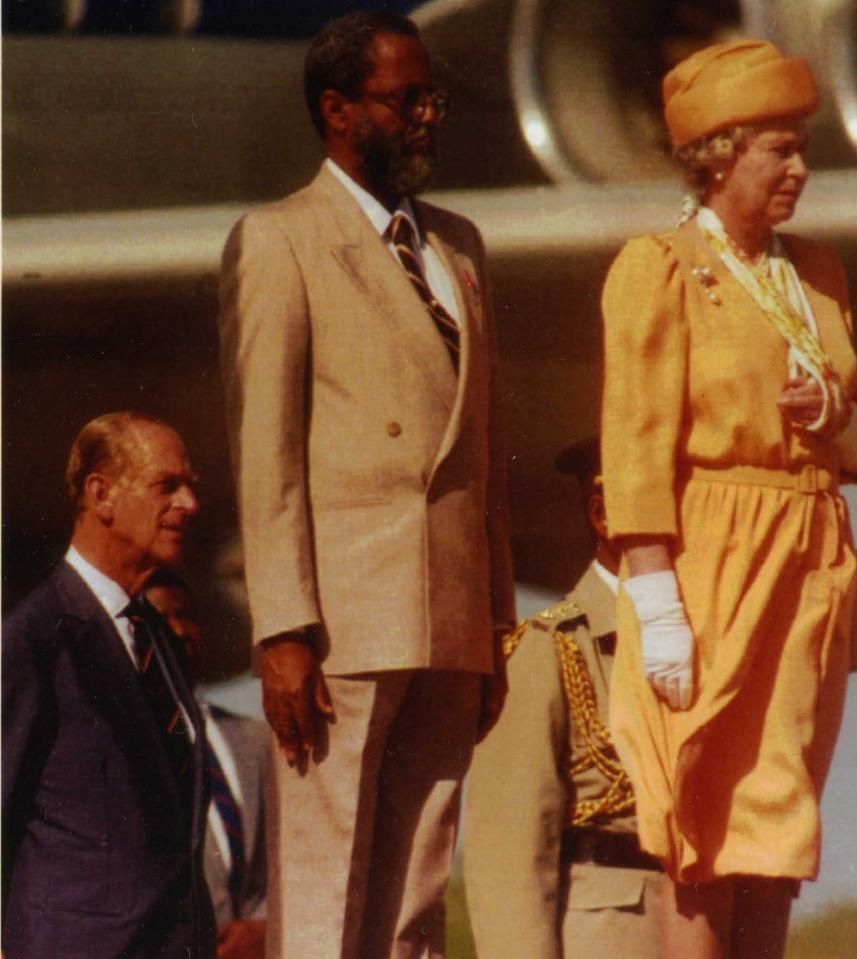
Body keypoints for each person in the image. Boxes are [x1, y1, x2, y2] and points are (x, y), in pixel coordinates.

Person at [217, 11, 515, 958]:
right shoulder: (280, 240)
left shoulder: (461, 247)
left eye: (435, 98)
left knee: (417, 893)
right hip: (340, 626)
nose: (429, 116)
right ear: (338, 110)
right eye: (407, 99)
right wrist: (282, 628)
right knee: (326, 887)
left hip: (451, 619)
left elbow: (483, 451)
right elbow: (264, 453)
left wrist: (496, 619)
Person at [600, 41, 857, 958]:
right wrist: (656, 598)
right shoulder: (659, 266)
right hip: (709, 559)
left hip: (811, 555)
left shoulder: (817, 274)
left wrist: (834, 415)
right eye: (779, 148)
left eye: (802, 146)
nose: (799, 168)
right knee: (703, 813)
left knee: (780, 813)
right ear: (719, 154)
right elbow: (635, 442)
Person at [2, 411, 215, 959]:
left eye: (189, 486)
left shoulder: (157, 640)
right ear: (101, 495)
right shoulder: (31, 640)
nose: (190, 504)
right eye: (168, 485)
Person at [464, 436, 662, 959]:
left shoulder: (713, 651)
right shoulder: (545, 651)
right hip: (608, 934)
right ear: (603, 515)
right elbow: (508, 856)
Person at [145, 570, 270, 959]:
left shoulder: (254, 740)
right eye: (163, 620)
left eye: (186, 617)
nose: (181, 631)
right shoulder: (110, 745)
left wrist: (265, 931)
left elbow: (289, 858)